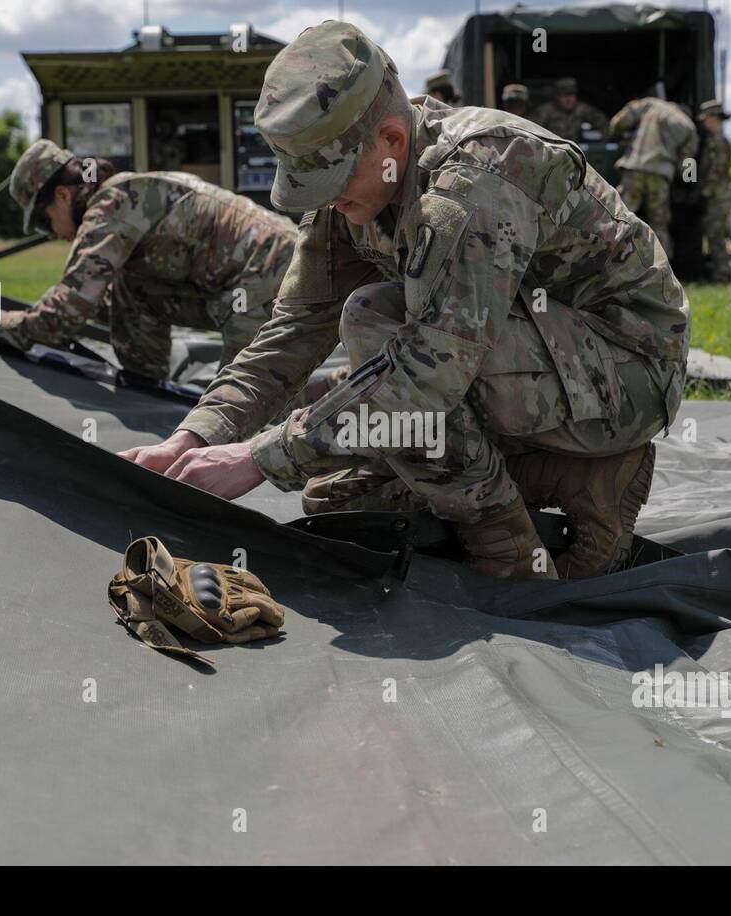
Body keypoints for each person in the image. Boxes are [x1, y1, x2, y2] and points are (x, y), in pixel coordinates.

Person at [123, 22, 690, 582]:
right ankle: (578, 477)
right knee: (341, 497)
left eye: (332, 183)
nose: (326, 202)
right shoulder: (354, 186)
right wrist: (195, 438)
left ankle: (510, 552)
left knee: (374, 326)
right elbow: (293, 332)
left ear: (392, 142)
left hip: (628, 371)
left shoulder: (476, 177)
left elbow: (425, 376)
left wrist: (260, 459)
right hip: (538, 362)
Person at [0, 140, 297, 382]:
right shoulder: (124, 194)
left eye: (42, 220)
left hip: (271, 280)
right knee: (128, 290)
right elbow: (105, 303)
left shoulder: (112, 204)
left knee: (238, 414)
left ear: (63, 195)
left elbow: (71, 306)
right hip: (260, 281)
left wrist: (7, 324)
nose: (48, 233)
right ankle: (149, 392)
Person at [607, 97, 697, 259]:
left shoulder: (652, 105)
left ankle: (609, 261)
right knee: (659, 224)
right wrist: (687, 184)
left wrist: (615, 134)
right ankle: (662, 270)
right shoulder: (688, 126)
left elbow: (621, 120)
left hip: (634, 169)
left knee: (621, 219)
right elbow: (688, 164)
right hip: (660, 176)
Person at [697, 99, 731, 283]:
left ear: (714, 118)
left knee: (716, 237)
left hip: (716, 196)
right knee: (715, 236)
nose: (703, 122)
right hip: (718, 195)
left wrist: (704, 193)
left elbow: (716, 171)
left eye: (705, 118)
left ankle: (722, 274)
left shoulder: (717, 141)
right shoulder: (718, 139)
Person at [530, 77, 610, 141]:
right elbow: (531, 132)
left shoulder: (582, 109)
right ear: (557, 97)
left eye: (572, 95)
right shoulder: (545, 111)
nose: (569, 99)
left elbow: (605, 125)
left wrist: (606, 140)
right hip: (553, 150)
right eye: (564, 95)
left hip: (577, 151)